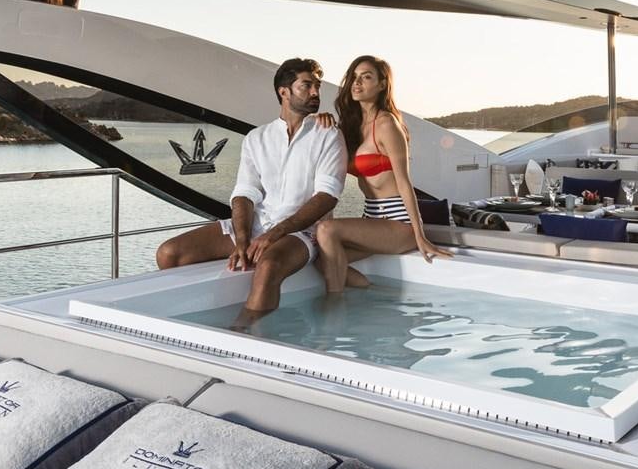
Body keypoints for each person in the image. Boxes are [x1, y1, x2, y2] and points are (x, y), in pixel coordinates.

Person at [154, 58, 346, 313]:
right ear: (284, 91)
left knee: (268, 265)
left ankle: (243, 333)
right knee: (169, 253)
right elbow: (245, 193)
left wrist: (273, 235)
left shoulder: (328, 134)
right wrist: (243, 240)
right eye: (307, 85)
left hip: (301, 232)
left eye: (317, 87)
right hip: (257, 224)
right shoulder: (257, 138)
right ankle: (204, 312)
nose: (315, 93)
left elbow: (327, 196)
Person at [314, 55, 452, 293]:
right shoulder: (352, 126)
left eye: (366, 77)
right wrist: (319, 120)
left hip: (399, 223)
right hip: (372, 218)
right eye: (354, 77)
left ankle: (333, 307)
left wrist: (419, 234)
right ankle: (376, 295)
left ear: (381, 85)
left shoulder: (387, 124)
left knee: (327, 230)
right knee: (321, 258)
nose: (357, 83)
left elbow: (404, 182)